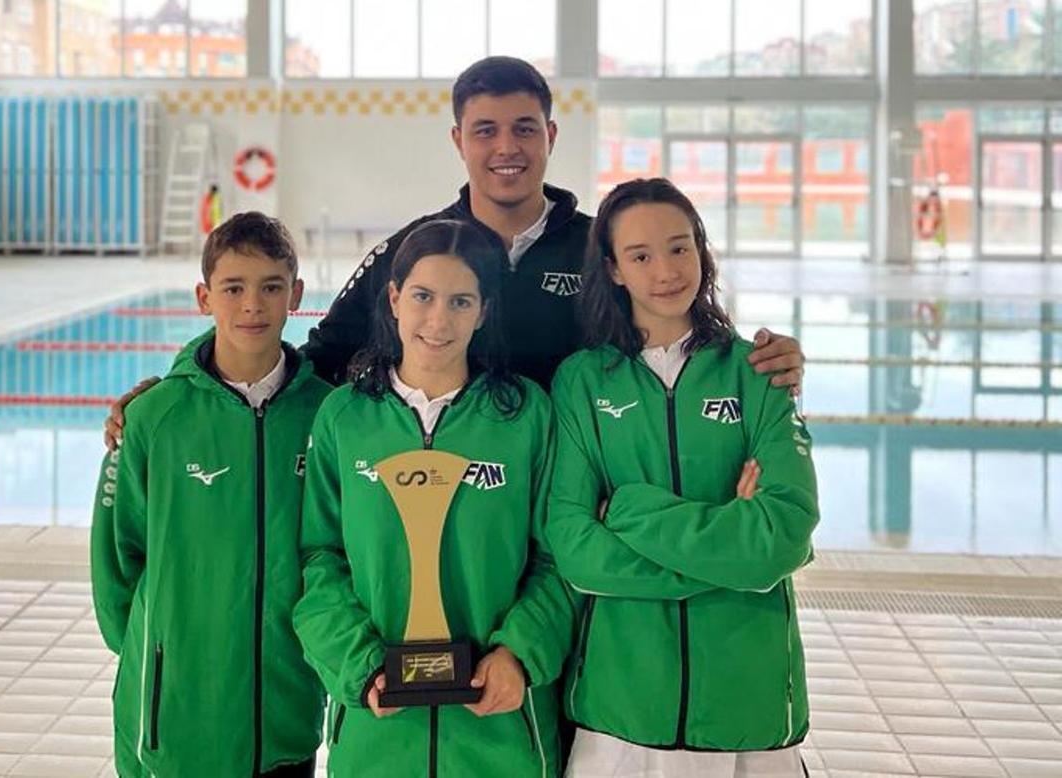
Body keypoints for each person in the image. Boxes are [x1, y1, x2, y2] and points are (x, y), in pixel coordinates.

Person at [100, 56, 805, 448]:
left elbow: (670, 327)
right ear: (459, 140)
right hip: (444, 487)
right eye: (486, 130)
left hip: (579, 485)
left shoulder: (599, 245)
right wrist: (188, 387)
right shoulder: (415, 251)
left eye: (525, 129)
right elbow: (319, 356)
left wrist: (763, 361)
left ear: (551, 138)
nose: (507, 148)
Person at [546, 178, 819, 777]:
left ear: (702, 250)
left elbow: (783, 535)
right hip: (621, 708)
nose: (666, 270)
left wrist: (629, 511)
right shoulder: (583, 383)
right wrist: (728, 560)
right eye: (640, 256)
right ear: (614, 270)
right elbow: (573, 547)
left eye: (679, 247)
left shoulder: (757, 374)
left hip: (748, 705)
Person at [293, 219, 575, 777]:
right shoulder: (345, 417)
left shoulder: (526, 416)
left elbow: (559, 557)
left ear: (484, 311)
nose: (439, 320)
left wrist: (520, 653)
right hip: (378, 734)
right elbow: (319, 559)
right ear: (394, 298)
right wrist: (358, 663)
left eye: (460, 301)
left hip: (500, 732)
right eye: (422, 296)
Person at [89, 212, 332, 777]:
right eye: (233, 288)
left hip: (286, 710)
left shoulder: (326, 413)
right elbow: (116, 562)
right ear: (204, 298)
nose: (253, 305)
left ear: (295, 295)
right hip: (177, 714)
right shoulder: (154, 418)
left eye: (271, 287)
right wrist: (160, 653)